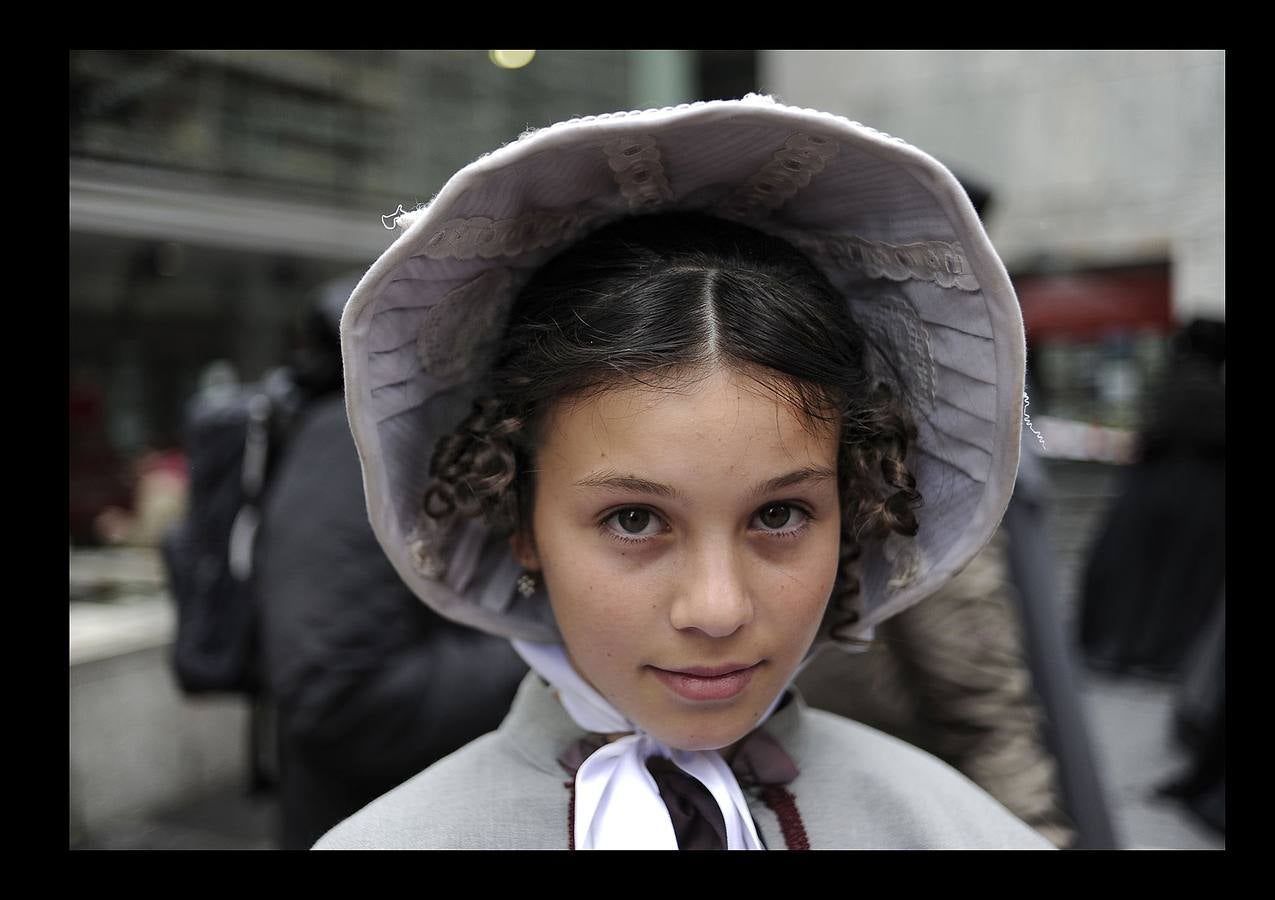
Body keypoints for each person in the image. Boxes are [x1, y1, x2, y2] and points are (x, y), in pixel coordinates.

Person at [315, 95, 1054, 849]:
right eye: (633, 519)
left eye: (778, 515)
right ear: (520, 518)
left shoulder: (952, 831)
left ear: (854, 503)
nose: (716, 608)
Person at [254, 277, 530, 850]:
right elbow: (338, 693)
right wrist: (546, 649)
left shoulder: (424, 430)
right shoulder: (348, 441)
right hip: (372, 817)